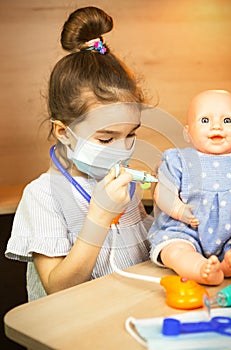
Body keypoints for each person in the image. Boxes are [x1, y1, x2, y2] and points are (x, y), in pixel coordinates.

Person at [5, 6, 152, 301]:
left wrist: (174, 213)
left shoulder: (125, 185)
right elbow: (58, 287)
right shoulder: (42, 196)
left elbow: (144, 251)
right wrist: (99, 217)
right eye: (106, 138)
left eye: (131, 135)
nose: (122, 150)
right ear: (63, 132)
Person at [149, 89, 231, 285]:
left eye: (227, 120)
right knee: (175, 251)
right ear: (187, 133)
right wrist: (179, 210)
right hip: (185, 230)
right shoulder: (178, 159)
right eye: (205, 120)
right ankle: (199, 269)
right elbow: (162, 191)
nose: (217, 126)